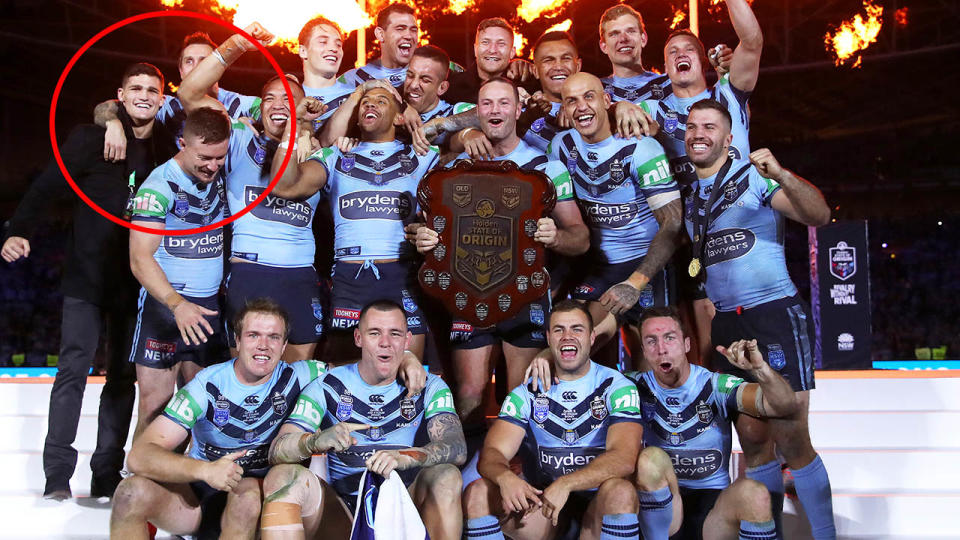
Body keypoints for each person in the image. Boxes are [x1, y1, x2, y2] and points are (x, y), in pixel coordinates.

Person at [2, 63, 176, 501]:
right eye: (134, 88)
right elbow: (47, 186)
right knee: (73, 372)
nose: (143, 95)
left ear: (162, 97)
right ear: (121, 93)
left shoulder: (167, 145)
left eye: (151, 89)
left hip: (135, 282)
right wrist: (18, 229)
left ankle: (105, 475)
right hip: (85, 276)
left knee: (121, 379)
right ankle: (57, 475)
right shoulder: (90, 138)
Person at [684, 99, 835, 539]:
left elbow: (819, 215)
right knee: (751, 437)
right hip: (729, 324)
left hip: (774, 315)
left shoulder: (754, 176)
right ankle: (766, 533)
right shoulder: (690, 193)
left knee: (790, 437)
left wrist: (783, 173)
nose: (698, 133)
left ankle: (826, 535)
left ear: (729, 138)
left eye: (710, 126)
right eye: (692, 126)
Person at [411, 77, 589, 431]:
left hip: (525, 295)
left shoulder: (546, 167)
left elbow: (580, 238)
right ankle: (468, 481)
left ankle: (519, 479)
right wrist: (421, 237)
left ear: (518, 110)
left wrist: (555, 237)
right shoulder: (451, 169)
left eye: (504, 103)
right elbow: (422, 228)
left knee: (523, 396)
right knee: (469, 397)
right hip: (466, 294)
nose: (495, 110)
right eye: (487, 104)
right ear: (477, 113)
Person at [109, 299, 326, 539]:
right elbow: (140, 456)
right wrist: (206, 470)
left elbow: (356, 374)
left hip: (256, 502)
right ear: (238, 340)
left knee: (247, 496)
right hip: (198, 499)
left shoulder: (302, 374)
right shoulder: (207, 385)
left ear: (284, 345)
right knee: (129, 493)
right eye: (253, 335)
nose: (264, 345)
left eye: (273, 337)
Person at [178, 22, 328, 363]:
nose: (279, 103)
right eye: (270, 98)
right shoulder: (239, 138)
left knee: (297, 381)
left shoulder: (320, 150)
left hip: (300, 274)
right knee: (247, 377)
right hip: (250, 272)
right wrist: (237, 43)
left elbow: (286, 183)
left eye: (289, 98)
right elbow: (188, 94)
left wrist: (302, 129)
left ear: (305, 108)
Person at [259, 300, 467, 539]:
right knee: (282, 476)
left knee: (447, 475)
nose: (385, 342)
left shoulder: (429, 385)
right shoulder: (327, 386)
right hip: (343, 510)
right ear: (358, 338)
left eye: (395, 334)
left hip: (405, 501)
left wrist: (407, 457)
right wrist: (315, 441)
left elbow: (457, 447)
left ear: (407, 341)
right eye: (374, 333)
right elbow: (276, 450)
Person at [268, 83, 439, 361]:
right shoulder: (335, 156)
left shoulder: (422, 155)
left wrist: (465, 132)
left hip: (402, 276)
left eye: (381, 101)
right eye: (364, 102)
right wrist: (294, 127)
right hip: (351, 277)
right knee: (345, 375)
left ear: (399, 117)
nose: (370, 104)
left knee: (407, 376)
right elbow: (284, 187)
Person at [462, 300, 644, 540]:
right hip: (545, 505)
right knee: (478, 493)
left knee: (621, 491)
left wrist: (567, 484)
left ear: (591, 338)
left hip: (601, 503)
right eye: (559, 330)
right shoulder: (526, 392)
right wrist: (504, 477)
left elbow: (624, 459)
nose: (567, 336)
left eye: (577, 329)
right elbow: (493, 453)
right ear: (549, 339)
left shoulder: (616, 386)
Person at [550, 72, 683, 368]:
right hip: (599, 266)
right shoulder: (559, 147)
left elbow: (673, 223)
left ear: (606, 100)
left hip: (646, 263)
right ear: (564, 109)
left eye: (589, 96)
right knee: (580, 344)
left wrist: (636, 282)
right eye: (571, 100)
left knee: (652, 366)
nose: (581, 107)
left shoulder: (640, 146)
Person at [127, 107, 232, 439]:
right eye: (205, 157)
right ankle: (138, 484)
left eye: (220, 157)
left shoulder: (220, 174)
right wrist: (177, 304)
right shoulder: (158, 185)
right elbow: (140, 259)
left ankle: (193, 487)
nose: (213, 166)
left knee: (206, 410)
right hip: (166, 309)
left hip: (209, 310)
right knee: (156, 406)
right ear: (182, 143)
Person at [95, 31, 259, 159]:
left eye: (204, 61)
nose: (196, 67)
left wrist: (247, 128)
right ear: (181, 72)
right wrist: (113, 123)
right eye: (189, 61)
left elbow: (277, 113)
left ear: (217, 68)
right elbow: (106, 108)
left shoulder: (242, 104)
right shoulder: (167, 107)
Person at [442, 17, 538, 105]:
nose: (492, 50)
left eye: (501, 44)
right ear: (475, 49)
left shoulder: (530, 87)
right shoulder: (450, 88)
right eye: (485, 42)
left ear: (512, 52)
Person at [337, 3, 419, 89]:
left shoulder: (430, 77)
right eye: (400, 29)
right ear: (380, 34)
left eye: (413, 30)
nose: (409, 36)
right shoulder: (353, 79)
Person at [298, 16, 356, 128]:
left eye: (338, 45)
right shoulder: (287, 99)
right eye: (323, 42)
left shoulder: (356, 97)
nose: (334, 49)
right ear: (303, 51)